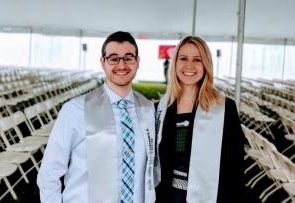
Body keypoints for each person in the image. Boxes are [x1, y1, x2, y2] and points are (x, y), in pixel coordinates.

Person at [37, 31, 156, 203]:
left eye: (128, 58)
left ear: (137, 62)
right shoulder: (75, 110)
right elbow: (50, 172)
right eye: (113, 58)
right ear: (103, 62)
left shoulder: (148, 110)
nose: (121, 65)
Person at [154, 36, 244, 203]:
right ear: (175, 63)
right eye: (183, 59)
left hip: (209, 197)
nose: (189, 65)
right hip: (167, 197)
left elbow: (235, 166)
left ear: (206, 65)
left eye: (197, 60)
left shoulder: (225, 109)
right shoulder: (160, 109)